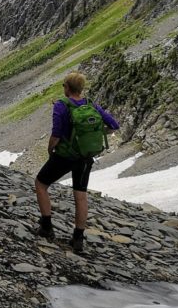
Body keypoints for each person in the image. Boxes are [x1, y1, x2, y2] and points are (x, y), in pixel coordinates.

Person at [34, 71, 120, 253]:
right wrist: (95, 133)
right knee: (80, 195)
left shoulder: (61, 105)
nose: (63, 88)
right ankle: (78, 238)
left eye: (64, 85)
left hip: (65, 156)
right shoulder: (91, 105)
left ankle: (47, 227)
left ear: (67, 87)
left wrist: (51, 150)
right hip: (85, 157)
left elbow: (56, 134)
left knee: (41, 184)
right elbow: (114, 125)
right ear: (80, 89)